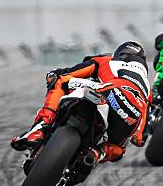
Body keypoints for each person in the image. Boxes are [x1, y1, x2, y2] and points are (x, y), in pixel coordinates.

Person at [10, 41, 151, 164]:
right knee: (118, 149)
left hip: (108, 92)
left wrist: (54, 74)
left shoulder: (107, 60)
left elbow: (66, 74)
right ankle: (97, 155)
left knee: (59, 80)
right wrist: (135, 136)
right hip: (132, 114)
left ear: (120, 54)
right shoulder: (147, 87)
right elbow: (140, 139)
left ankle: (39, 129)